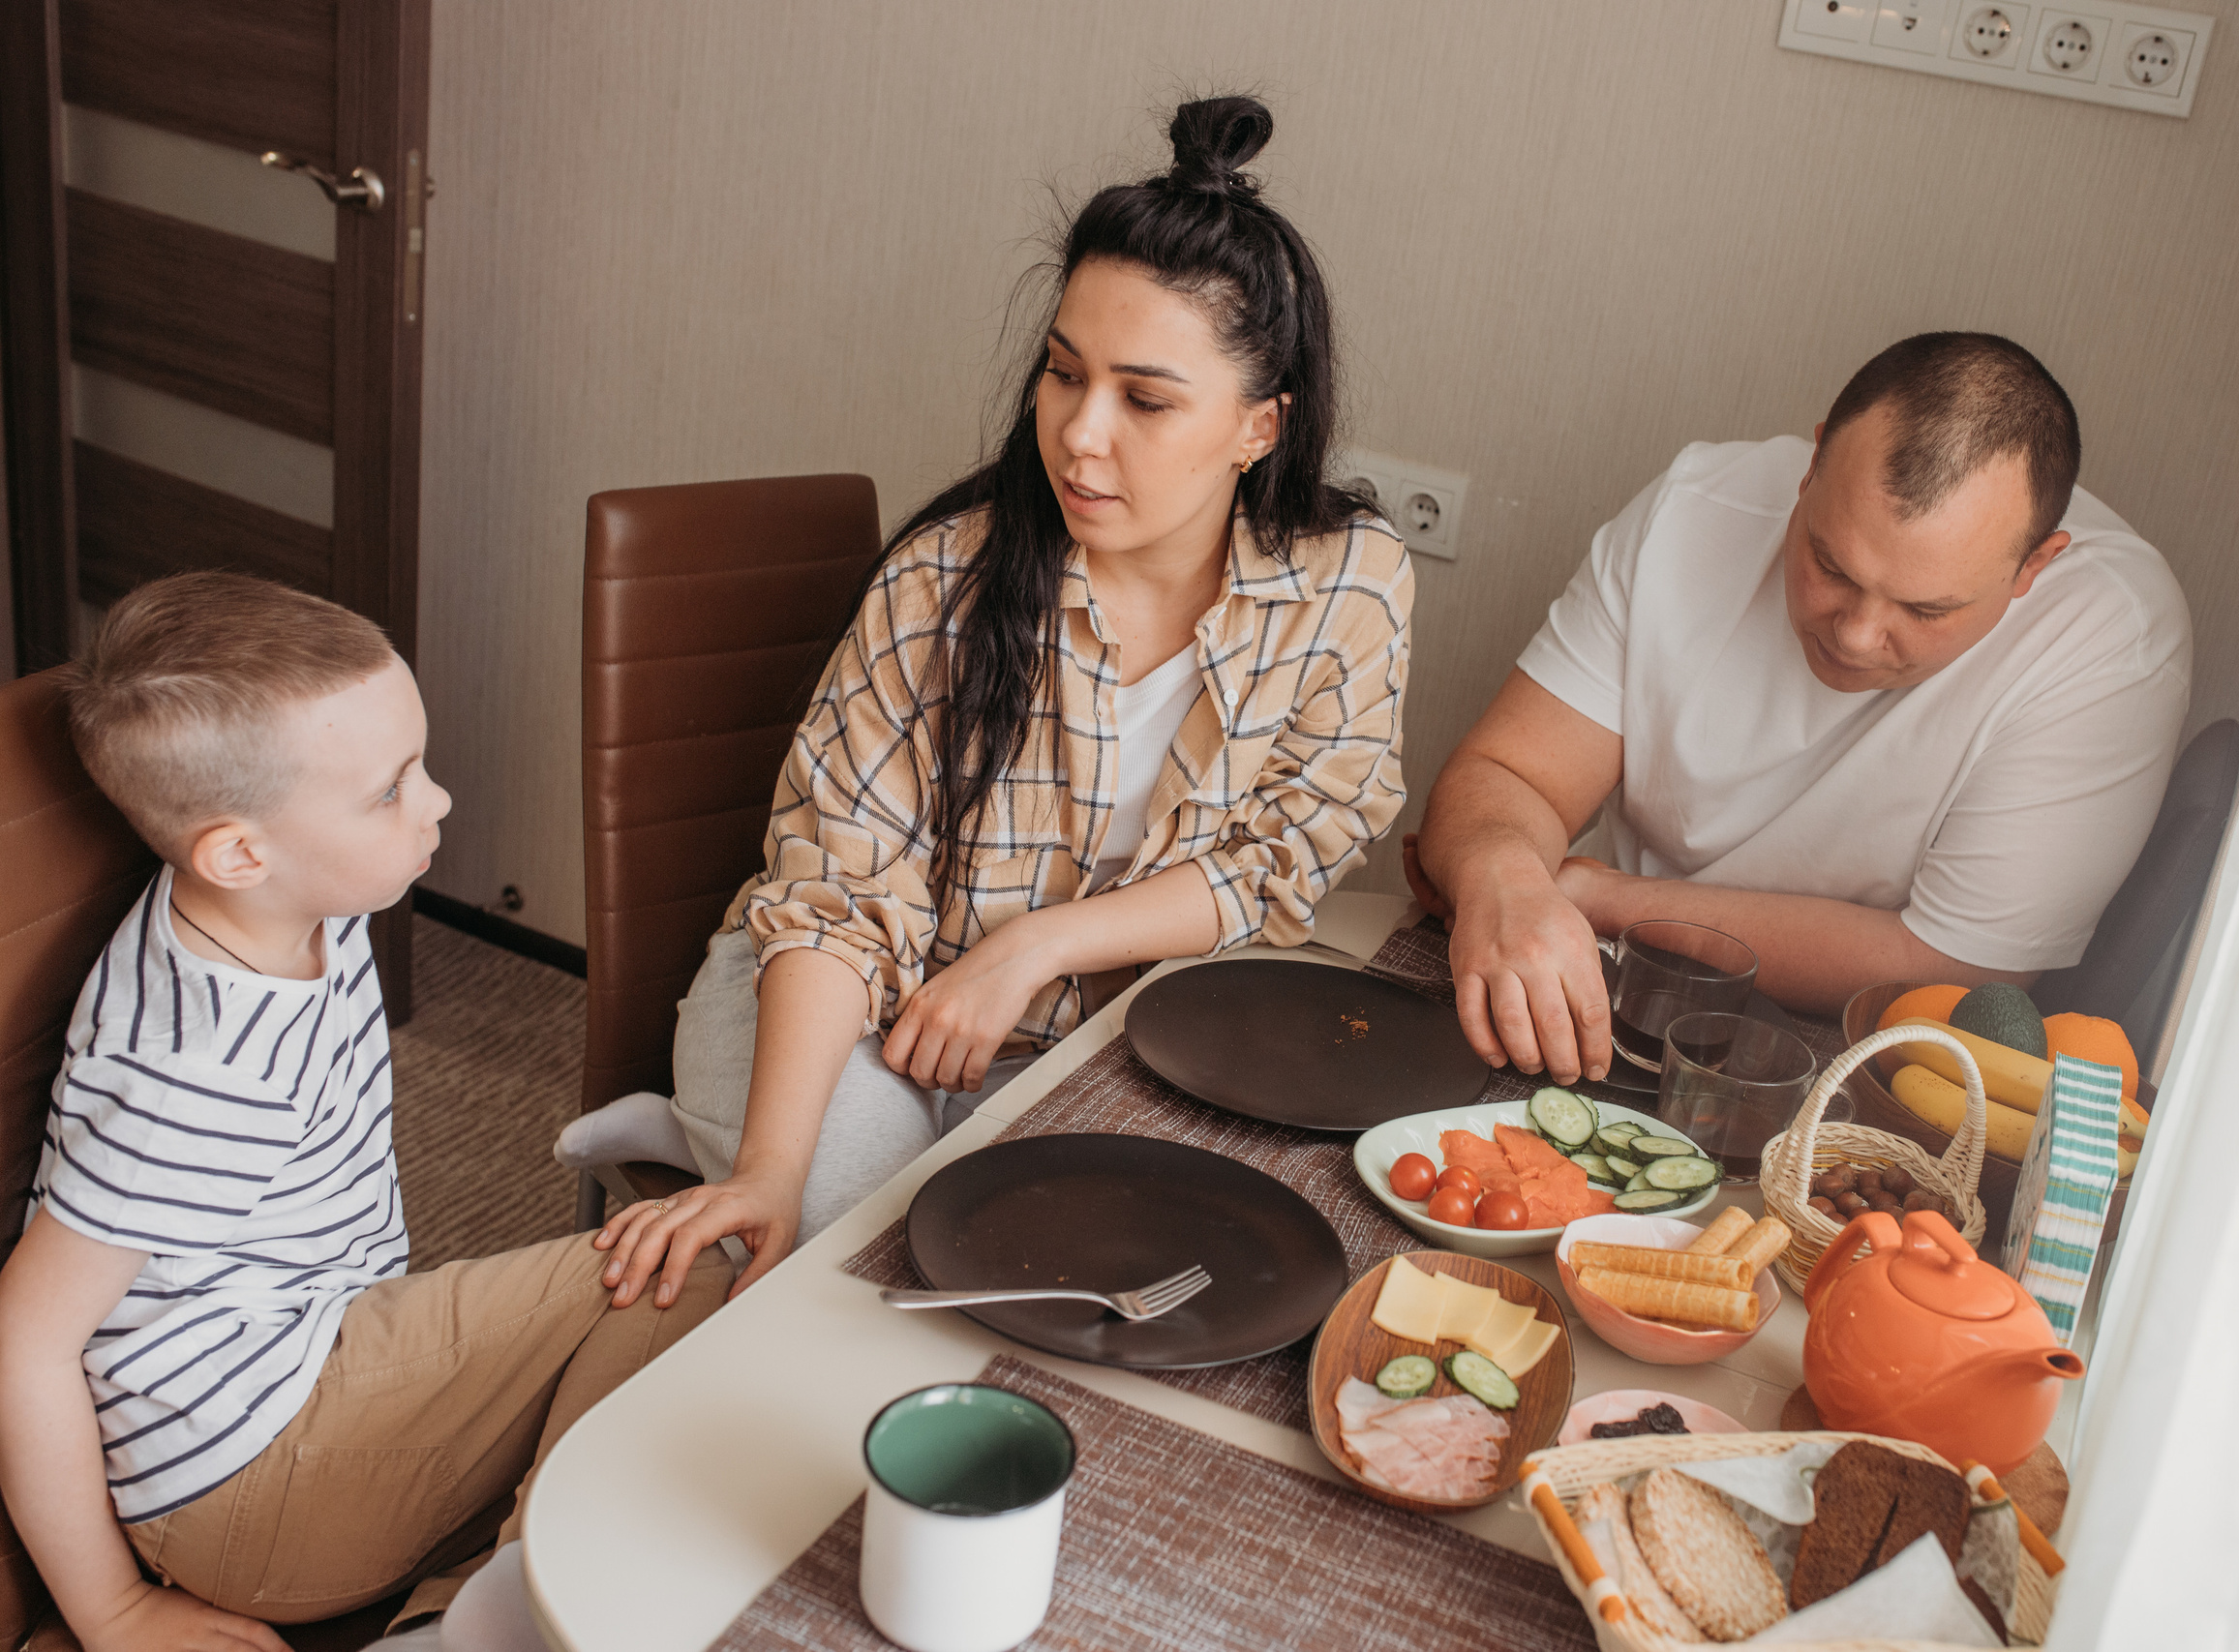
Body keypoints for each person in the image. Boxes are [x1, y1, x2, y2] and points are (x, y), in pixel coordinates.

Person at [578, 95, 1412, 1307]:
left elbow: (1287, 851)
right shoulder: (944, 583)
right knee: (836, 1239)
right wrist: (771, 1164)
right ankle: (715, 1130)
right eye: (1064, 375)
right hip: (857, 1005)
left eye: (1146, 398)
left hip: (1100, 1032)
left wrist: (1037, 947)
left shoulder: (1349, 583)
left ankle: (701, 1134)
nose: (1080, 436)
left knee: (1154, 1275)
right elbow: (837, 892)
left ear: (1257, 427)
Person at [0, 573, 727, 1652]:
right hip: (243, 1479)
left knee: (637, 1387)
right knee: (692, 1264)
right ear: (239, 852)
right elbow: (24, 1336)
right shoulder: (200, 1070)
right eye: (391, 789)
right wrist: (113, 1611)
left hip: (313, 1355)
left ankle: (447, 1617)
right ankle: (510, 1621)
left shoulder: (292, 900)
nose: (436, 801)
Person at [1407, 332, 2191, 1085]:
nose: (1854, 634)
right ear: (1814, 463)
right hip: (1609, 978)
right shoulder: (1695, 505)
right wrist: (1504, 876)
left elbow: (1955, 964)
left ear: (2033, 568)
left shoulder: (2114, 633)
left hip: (1857, 1045)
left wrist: (1602, 899)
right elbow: (1512, 772)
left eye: (1924, 610)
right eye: (1829, 564)